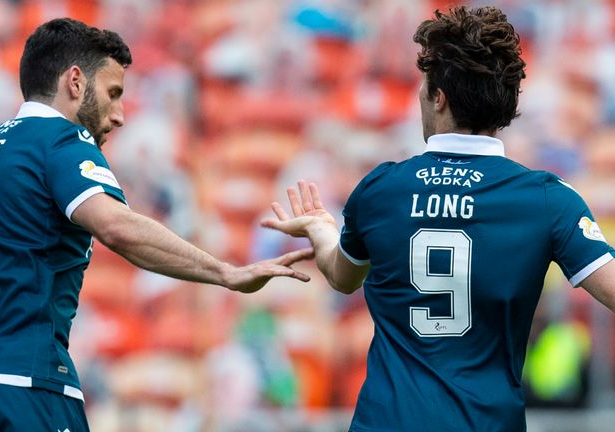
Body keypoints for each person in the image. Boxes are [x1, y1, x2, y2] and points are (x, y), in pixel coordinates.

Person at [0, 18, 313, 432]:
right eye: (114, 93)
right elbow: (116, 227)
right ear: (75, 82)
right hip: (25, 389)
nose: (119, 115)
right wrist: (226, 273)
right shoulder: (61, 140)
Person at [263, 6, 615, 432]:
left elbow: (341, 277)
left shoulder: (381, 190)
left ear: (439, 96)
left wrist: (321, 229)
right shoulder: (547, 199)